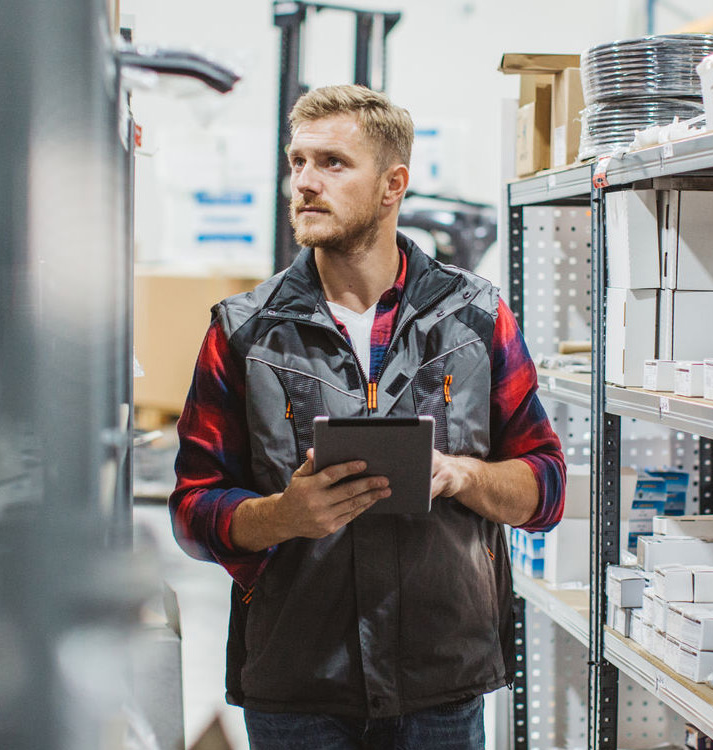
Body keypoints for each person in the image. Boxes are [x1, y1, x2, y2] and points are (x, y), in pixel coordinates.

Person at [169, 84, 565, 750]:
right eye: (297, 162)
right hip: (300, 688)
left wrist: (460, 475)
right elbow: (190, 508)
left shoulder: (476, 318)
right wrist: (281, 516)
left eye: (332, 163)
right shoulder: (243, 333)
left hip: (441, 683)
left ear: (393, 185)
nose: (304, 183)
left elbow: (546, 489)